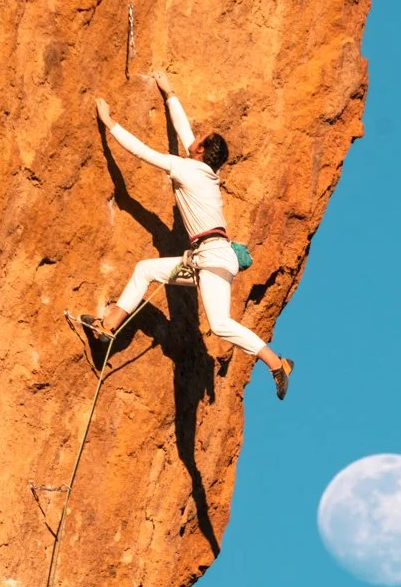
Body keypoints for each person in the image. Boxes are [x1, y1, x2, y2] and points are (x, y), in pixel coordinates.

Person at [81, 71, 294, 399]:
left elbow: (143, 152)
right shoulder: (204, 169)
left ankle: (276, 363)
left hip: (210, 258)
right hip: (209, 258)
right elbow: (185, 133)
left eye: (200, 139)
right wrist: (169, 94)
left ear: (201, 150)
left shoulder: (188, 169)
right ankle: (109, 326)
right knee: (146, 270)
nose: (193, 138)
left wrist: (110, 124)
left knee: (220, 324)